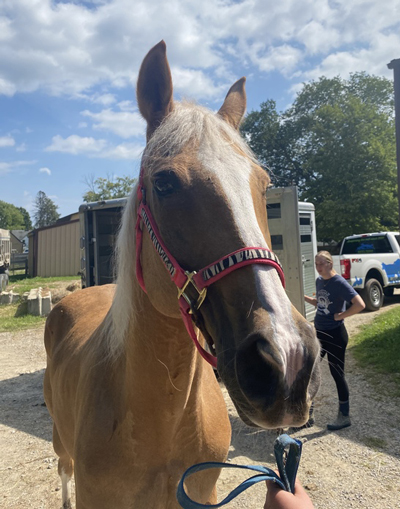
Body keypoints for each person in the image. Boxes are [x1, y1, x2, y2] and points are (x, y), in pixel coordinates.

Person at [304, 251, 365, 431]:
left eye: (321, 264)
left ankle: (344, 416)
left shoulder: (339, 282)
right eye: (316, 263)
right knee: (310, 372)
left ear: (330, 264)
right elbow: (321, 303)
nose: (318, 267)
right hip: (320, 334)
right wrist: (305, 298)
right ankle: (308, 415)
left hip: (336, 335)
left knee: (337, 374)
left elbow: (359, 304)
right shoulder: (319, 281)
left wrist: (342, 316)